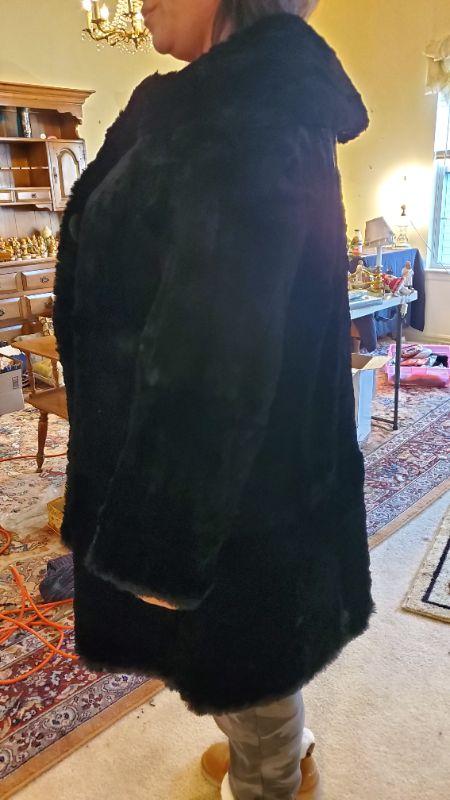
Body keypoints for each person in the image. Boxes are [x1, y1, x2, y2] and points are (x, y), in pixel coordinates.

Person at [53, 1, 374, 798]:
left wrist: (161, 538)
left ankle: (276, 777)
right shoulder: (211, 104)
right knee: (233, 655)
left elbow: (214, 347)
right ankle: (281, 751)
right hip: (224, 467)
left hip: (227, 483)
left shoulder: (248, 114)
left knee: (245, 660)